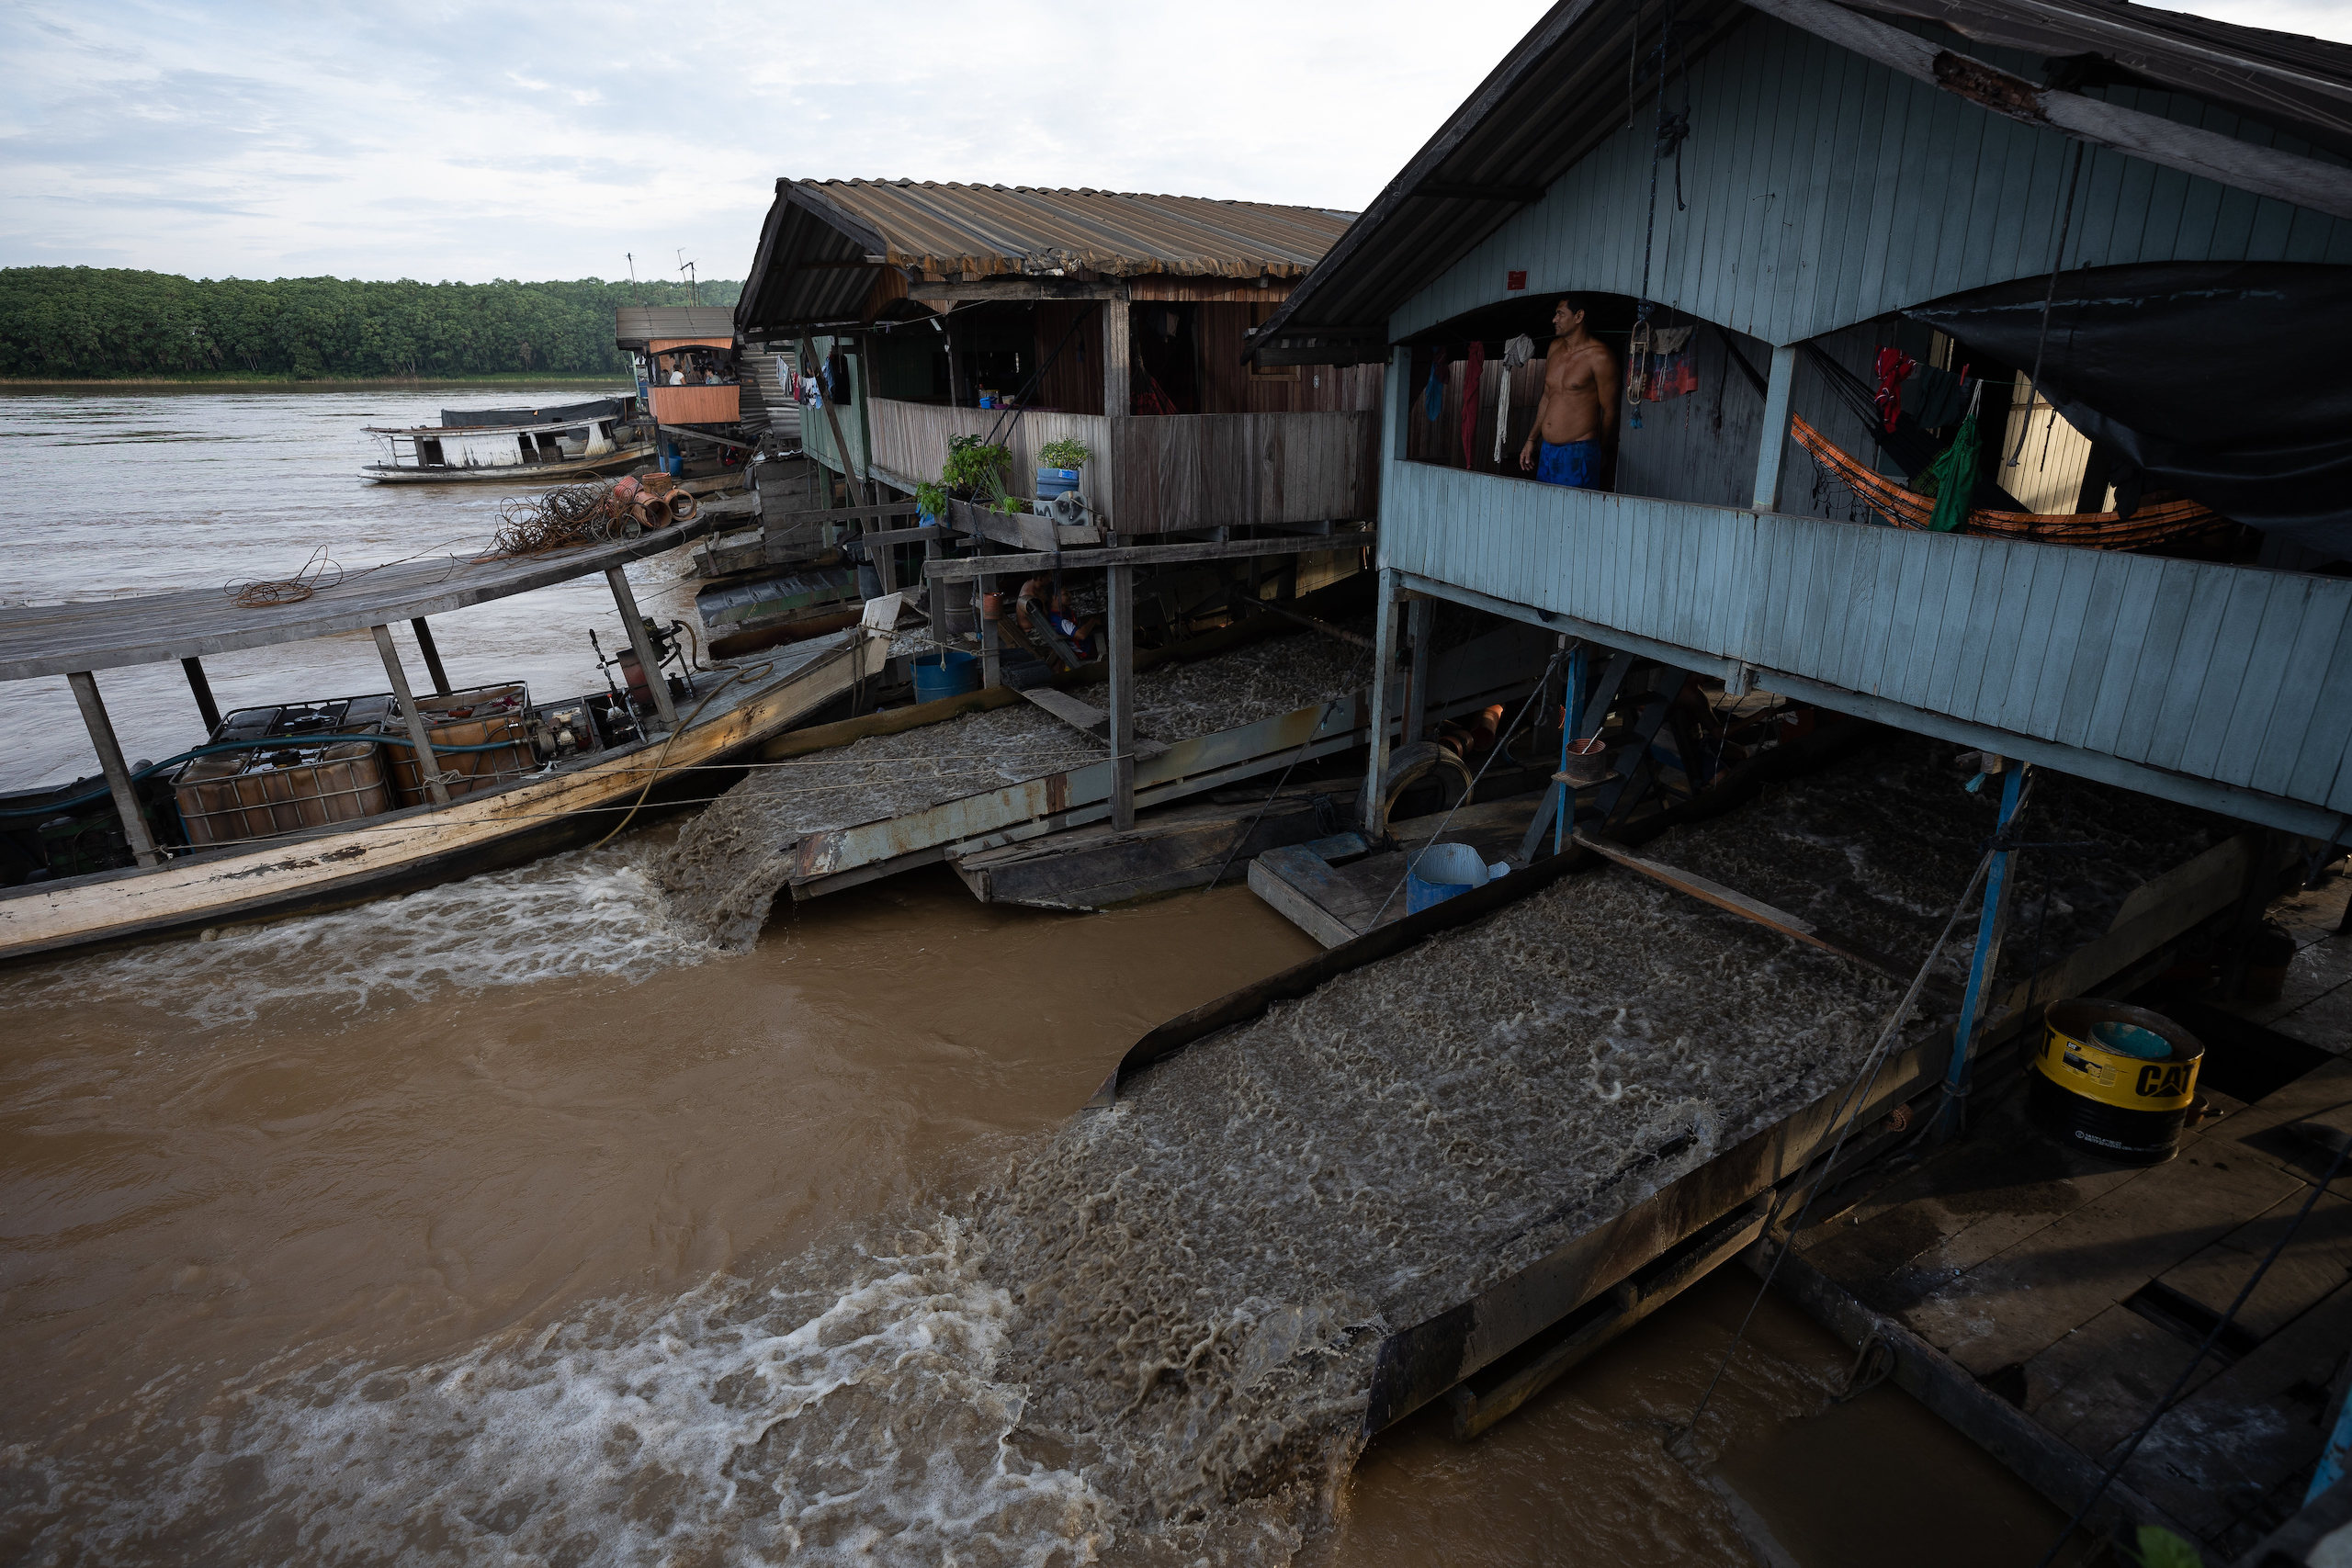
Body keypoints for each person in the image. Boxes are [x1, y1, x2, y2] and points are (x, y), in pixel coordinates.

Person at [1518, 295, 1621, 489]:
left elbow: (1610, 411)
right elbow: (1547, 396)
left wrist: (1600, 450)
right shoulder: (1554, 348)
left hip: (1579, 452)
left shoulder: (1600, 357)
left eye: (1560, 314)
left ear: (1579, 316)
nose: (1554, 320)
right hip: (1548, 450)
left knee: (1573, 516)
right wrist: (1531, 439)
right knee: (1546, 512)